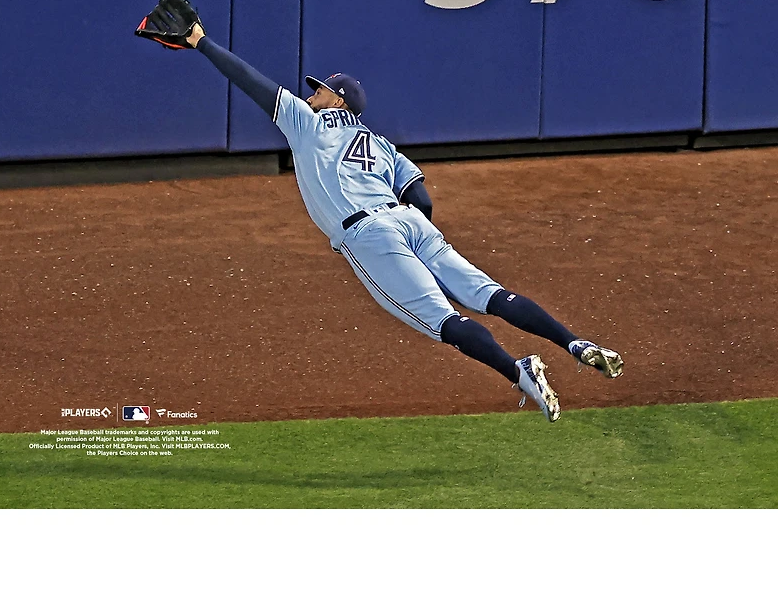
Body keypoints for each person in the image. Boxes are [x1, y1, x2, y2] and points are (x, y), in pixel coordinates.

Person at [181, 22, 623, 422]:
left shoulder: (309, 124)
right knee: (489, 295)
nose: (311, 94)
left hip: (370, 233)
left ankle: (518, 370)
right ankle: (573, 343)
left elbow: (250, 81)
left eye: (319, 90)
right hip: (413, 223)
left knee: (444, 320)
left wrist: (201, 41)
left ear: (337, 101)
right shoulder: (382, 144)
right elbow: (421, 199)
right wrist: (417, 244)